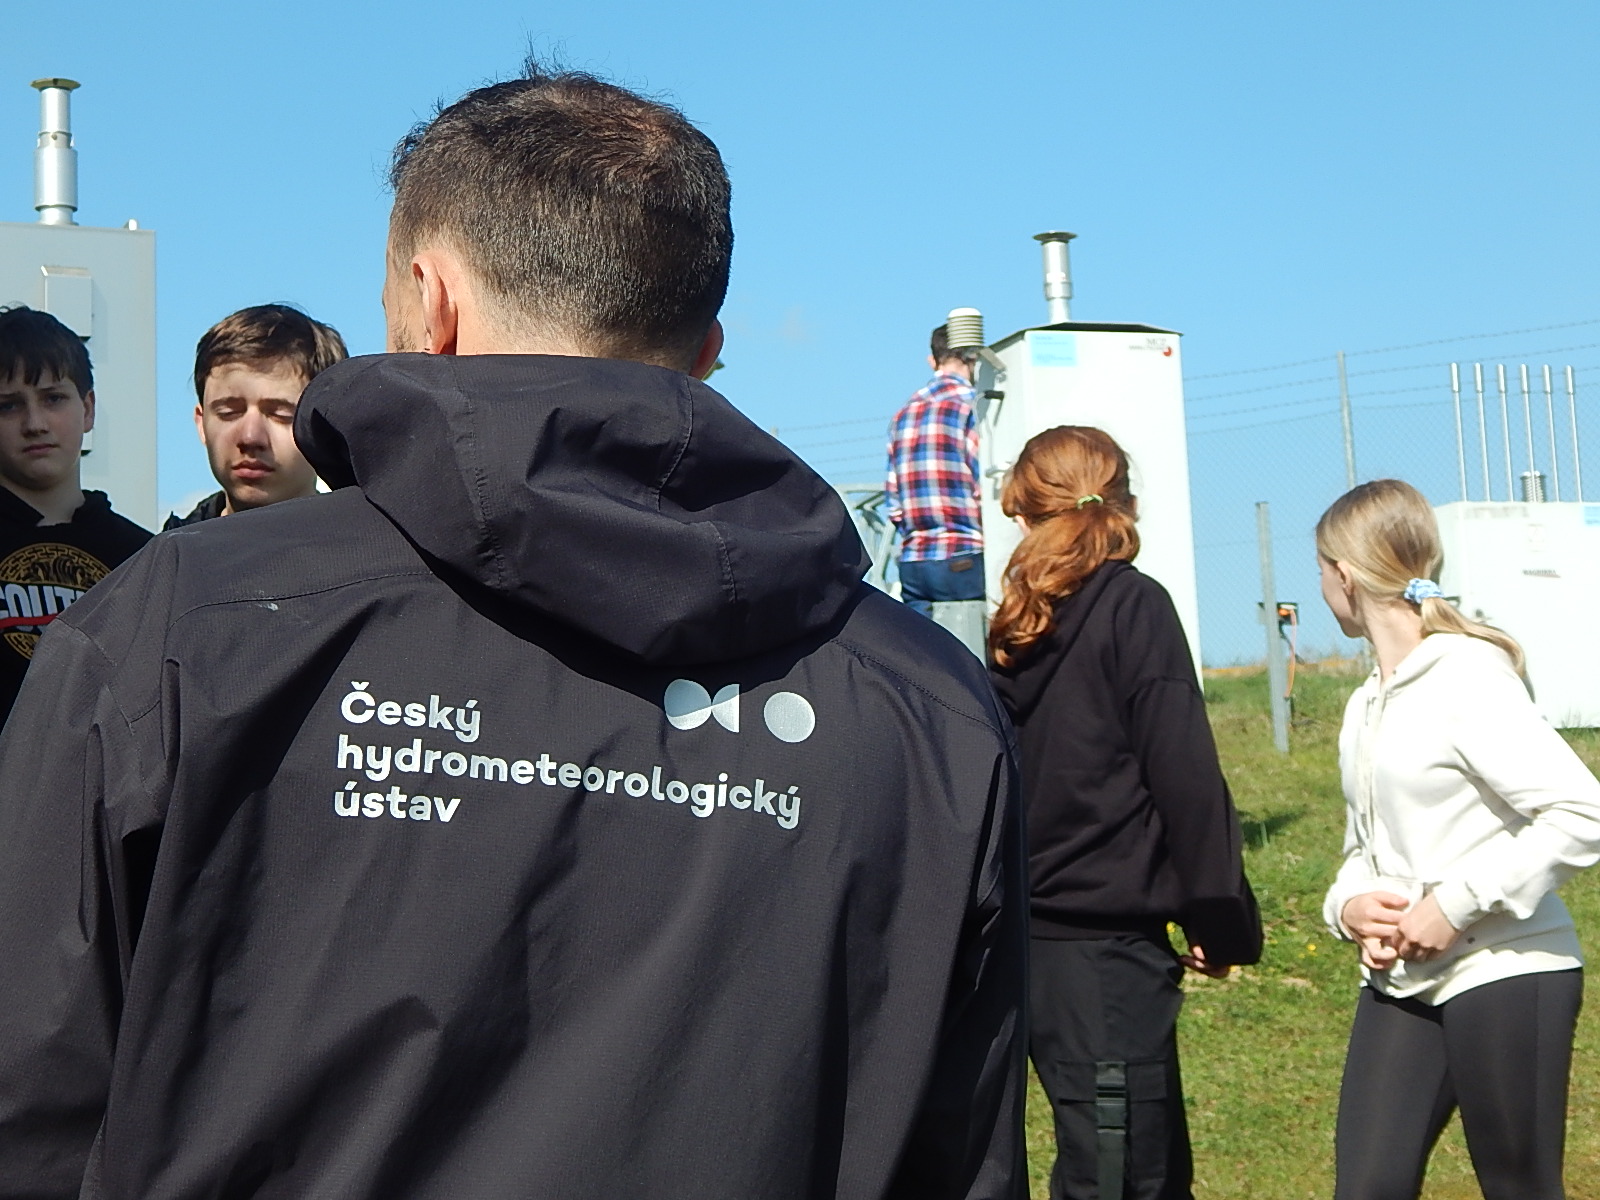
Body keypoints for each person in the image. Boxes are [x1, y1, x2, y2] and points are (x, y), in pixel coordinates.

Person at [0, 64, 1027, 1198]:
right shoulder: (931, 712)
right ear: (706, 347)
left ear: (430, 302)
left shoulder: (178, 626)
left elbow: (33, 1094)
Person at [988, 425, 1261, 1200]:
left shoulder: (1018, 627)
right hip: (1105, 958)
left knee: (1126, 1167)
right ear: (1126, 505)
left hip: (1032, 948)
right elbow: (1184, 774)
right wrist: (1220, 916)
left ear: (1022, 514)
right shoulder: (1133, 607)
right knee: (1124, 1178)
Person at [1316, 479, 1600, 1200]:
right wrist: (1349, 907)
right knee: (1367, 1189)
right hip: (1401, 981)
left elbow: (1581, 813)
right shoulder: (1366, 702)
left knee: (1519, 1187)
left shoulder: (1466, 675)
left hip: (1508, 967)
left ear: (1343, 576)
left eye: (1319, 571)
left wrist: (1455, 904)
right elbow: (1364, 847)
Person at [0, 306, 150, 728]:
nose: (34, 423)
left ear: (88, 409)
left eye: (53, 399)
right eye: (9, 406)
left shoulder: (144, 557)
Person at [164, 303, 347, 528]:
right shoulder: (167, 549)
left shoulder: (371, 545)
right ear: (201, 423)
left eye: (280, 414)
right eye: (229, 413)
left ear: (327, 429)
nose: (250, 437)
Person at [884, 322, 983, 616]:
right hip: (966, 558)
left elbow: (894, 506)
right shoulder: (973, 406)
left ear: (933, 360)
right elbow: (986, 490)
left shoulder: (903, 414)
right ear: (973, 357)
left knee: (922, 645)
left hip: (914, 564)